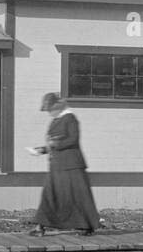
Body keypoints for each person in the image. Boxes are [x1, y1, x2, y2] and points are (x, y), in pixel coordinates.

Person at [30, 93, 101, 236]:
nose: (49, 113)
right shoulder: (55, 121)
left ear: (58, 107)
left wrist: (56, 143)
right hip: (57, 166)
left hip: (72, 165)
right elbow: (53, 144)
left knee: (78, 196)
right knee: (50, 194)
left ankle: (86, 226)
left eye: (50, 109)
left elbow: (73, 140)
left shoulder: (70, 119)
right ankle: (41, 226)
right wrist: (42, 150)